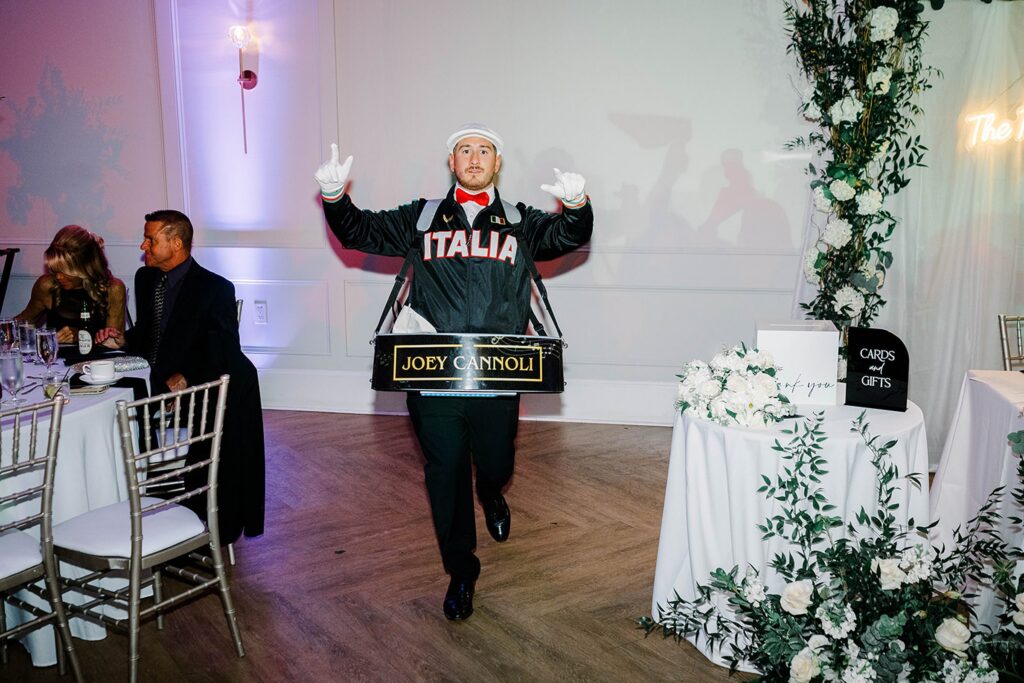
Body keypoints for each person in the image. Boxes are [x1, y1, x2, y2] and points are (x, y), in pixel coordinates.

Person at [315, 123, 592, 620]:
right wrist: (335, 196)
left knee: (496, 462)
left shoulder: (519, 221)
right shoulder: (421, 218)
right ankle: (461, 571)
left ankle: (492, 493)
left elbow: (567, 236)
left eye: (483, 150)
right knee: (444, 474)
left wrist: (577, 207)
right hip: (433, 371)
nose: (473, 156)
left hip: (497, 373)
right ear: (452, 163)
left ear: (496, 163)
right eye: (464, 150)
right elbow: (359, 231)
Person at [95, 210, 265, 544]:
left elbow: (224, 349)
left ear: (176, 243)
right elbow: (151, 332)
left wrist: (186, 376)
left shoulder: (215, 289)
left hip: (191, 394)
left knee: (116, 417)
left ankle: (169, 501)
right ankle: (121, 500)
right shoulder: (146, 279)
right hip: (149, 380)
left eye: (151, 239)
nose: (143, 245)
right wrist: (123, 339)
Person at [17, 225, 126, 345]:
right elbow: (23, 324)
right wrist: (48, 340)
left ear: (85, 267)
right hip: (57, 362)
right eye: (55, 269)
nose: (58, 277)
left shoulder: (114, 289)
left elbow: (113, 344)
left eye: (65, 271)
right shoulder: (47, 286)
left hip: (97, 361)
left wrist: (80, 338)